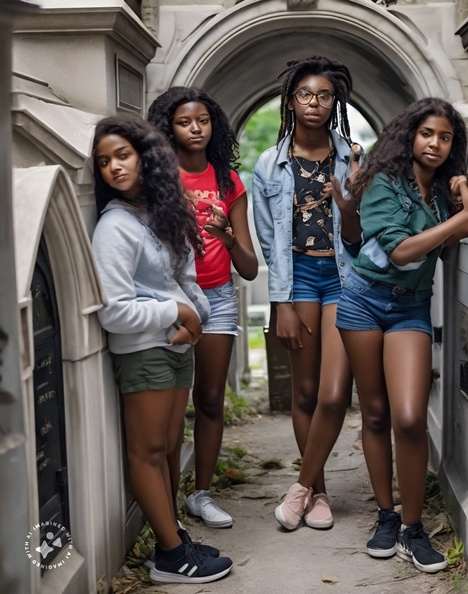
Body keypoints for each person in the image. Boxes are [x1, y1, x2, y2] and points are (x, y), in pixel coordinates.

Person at [336, 98, 468, 572]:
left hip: (410, 309)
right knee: (375, 413)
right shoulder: (382, 183)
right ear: (409, 137)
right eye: (427, 134)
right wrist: (458, 221)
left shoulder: (441, 191)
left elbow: (447, 234)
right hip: (362, 301)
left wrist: (458, 197)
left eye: (445, 137)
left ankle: (412, 530)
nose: (435, 144)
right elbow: (398, 252)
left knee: (411, 416)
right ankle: (386, 515)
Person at [91, 115, 233, 584]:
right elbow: (113, 311)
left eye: (123, 156)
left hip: (175, 347)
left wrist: (197, 319)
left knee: (171, 450)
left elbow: (186, 282)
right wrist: (177, 313)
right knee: (149, 453)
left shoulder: (161, 215)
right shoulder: (114, 226)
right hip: (144, 351)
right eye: (104, 161)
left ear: (147, 158)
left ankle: (170, 539)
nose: (113, 167)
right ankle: (172, 557)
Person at [252, 55, 362, 531]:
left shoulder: (353, 157)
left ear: (334, 101)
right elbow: (268, 241)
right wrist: (281, 303)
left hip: (343, 279)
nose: (314, 103)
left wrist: (353, 198)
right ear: (291, 101)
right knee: (307, 391)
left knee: (335, 395)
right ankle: (317, 494)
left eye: (323, 95)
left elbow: (361, 233)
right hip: (297, 281)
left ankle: (298, 486)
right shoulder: (268, 164)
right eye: (305, 95)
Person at [148, 87, 258, 529]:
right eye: (184, 122)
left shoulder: (229, 183)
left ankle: (201, 494)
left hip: (218, 297)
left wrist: (227, 237)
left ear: (214, 126)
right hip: (171, 297)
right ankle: (168, 495)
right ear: (168, 130)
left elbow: (249, 267)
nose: (195, 129)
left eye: (203, 121)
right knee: (174, 404)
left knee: (210, 399)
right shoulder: (160, 179)